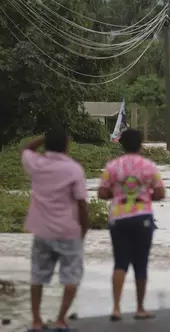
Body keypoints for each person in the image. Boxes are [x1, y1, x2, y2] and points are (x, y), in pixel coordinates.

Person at [21, 130, 89, 332]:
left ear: (45, 145)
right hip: (68, 231)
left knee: (37, 276)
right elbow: (82, 204)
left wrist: (43, 137)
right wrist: (83, 229)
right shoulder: (74, 169)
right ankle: (60, 319)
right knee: (72, 276)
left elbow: (26, 149)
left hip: (42, 231)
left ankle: (36, 321)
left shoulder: (36, 164)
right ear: (67, 146)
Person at [97, 129, 166, 321]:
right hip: (142, 217)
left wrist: (119, 195)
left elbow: (102, 193)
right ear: (141, 145)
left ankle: (116, 309)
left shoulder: (112, 166)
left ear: (121, 144)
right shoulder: (148, 166)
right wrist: (143, 197)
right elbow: (160, 193)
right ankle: (140, 308)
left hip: (118, 218)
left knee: (120, 262)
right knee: (140, 262)